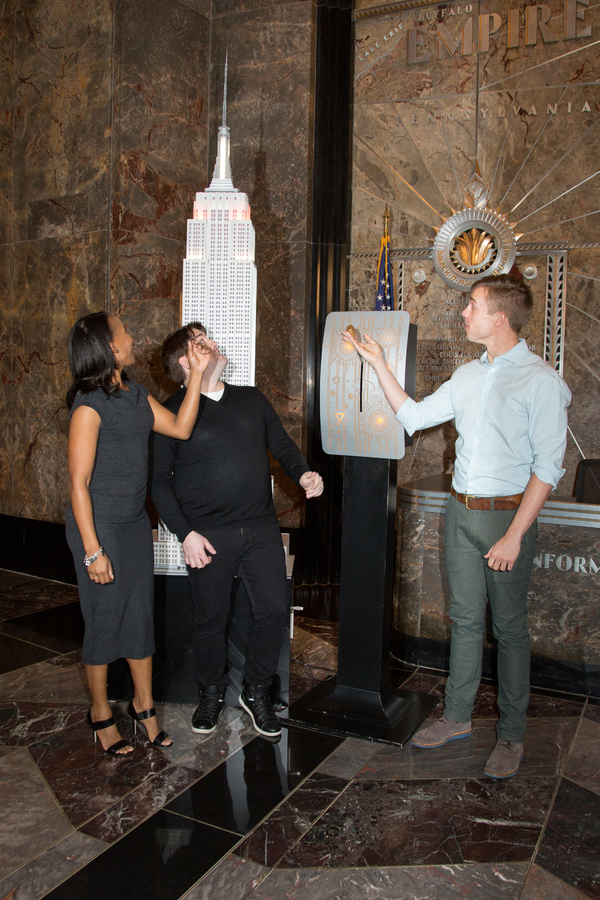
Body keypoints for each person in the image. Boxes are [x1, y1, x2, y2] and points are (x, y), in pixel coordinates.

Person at [344, 274, 570, 778]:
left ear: (500, 317)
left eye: (473, 305)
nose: (464, 313)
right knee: (464, 621)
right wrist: (377, 362)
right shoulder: (468, 375)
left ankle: (511, 735)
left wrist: (514, 535)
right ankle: (457, 718)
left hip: (508, 518)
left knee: (509, 629)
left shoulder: (540, 381)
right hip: (461, 513)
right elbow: (415, 416)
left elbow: (547, 469)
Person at [151, 322, 324, 738]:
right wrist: (185, 534)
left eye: (208, 337)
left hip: (261, 528)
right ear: (184, 361)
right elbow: (158, 481)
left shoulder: (250, 399)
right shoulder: (170, 409)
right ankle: (210, 692)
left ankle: (256, 690)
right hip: (206, 536)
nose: (213, 343)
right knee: (211, 620)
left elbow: (281, 445)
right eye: (200, 343)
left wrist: (302, 474)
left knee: (272, 613)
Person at [66, 311, 211, 755]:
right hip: (99, 526)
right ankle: (100, 712)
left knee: (139, 617)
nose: (132, 337)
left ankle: (143, 708)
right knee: (105, 618)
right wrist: (93, 552)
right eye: (124, 332)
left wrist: (197, 377)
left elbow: (181, 427)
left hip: (132, 523)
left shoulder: (135, 394)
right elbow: (78, 483)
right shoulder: (88, 406)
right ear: (109, 348)